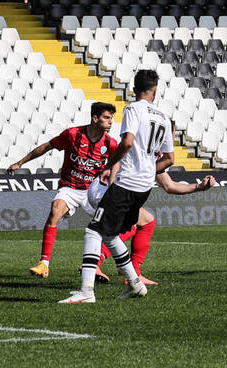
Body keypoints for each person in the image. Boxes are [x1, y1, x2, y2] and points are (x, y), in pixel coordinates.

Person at [59, 69, 174, 303]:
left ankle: (86, 292)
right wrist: (147, 171)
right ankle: (135, 283)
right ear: (155, 90)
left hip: (127, 182)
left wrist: (109, 166)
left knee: (94, 230)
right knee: (110, 234)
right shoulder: (164, 117)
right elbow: (170, 159)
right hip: (144, 186)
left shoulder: (133, 109)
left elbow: (127, 142)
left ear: (134, 88)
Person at [6, 102, 118, 279]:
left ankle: (100, 264)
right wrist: (19, 163)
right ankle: (44, 264)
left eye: (112, 118)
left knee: (123, 225)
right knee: (55, 211)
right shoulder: (73, 134)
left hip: (93, 192)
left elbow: (118, 163)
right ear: (95, 118)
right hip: (70, 187)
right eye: (107, 117)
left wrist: (110, 174)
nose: (111, 122)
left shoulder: (111, 143)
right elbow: (46, 147)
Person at [92, 172, 217, 285]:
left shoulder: (151, 156)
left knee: (145, 221)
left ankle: (133, 273)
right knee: (129, 225)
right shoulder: (138, 150)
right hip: (104, 190)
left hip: (106, 191)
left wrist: (199, 186)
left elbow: (169, 185)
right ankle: (94, 266)